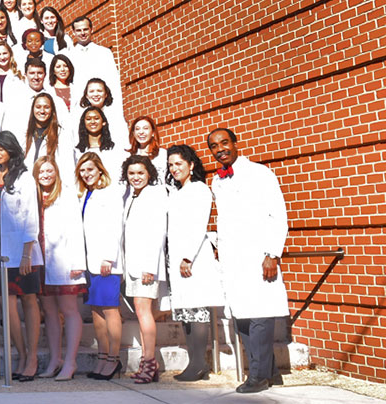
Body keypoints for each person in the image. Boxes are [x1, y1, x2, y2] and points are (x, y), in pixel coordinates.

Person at [207, 128, 289, 394]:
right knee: (243, 317)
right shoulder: (217, 181)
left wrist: (272, 253)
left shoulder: (259, 173)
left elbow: (277, 214)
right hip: (234, 260)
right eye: (214, 146)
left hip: (259, 257)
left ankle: (258, 376)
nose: (220, 149)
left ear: (235, 143)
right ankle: (271, 372)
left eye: (224, 142)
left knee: (260, 316)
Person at [0, 131, 42, 381]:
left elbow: (31, 215)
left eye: (1, 148)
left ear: (12, 149)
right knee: (6, 304)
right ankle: (21, 353)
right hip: (0, 251)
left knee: (28, 300)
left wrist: (27, 253)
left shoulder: (25, 178)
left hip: (22, 250)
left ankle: (33, 357)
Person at [163, 144, 221, 383]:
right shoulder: (177, 191)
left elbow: (198, 225)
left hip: (193, 259)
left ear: (191, 165)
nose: (174, 169)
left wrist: (188, 257)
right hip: (177, 259)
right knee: (186, 310)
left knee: (196, 308)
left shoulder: (199, 190)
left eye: (179, 164)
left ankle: (199, 364)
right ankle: (193, 362)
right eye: (170, 165)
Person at [31, 156, 85, 381]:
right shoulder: (33, 196)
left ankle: (70, 362)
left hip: (64, 260)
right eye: (41, 172)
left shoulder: (66, 195)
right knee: (50, 312)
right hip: (42, 260)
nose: (45, 175)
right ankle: (55, 360)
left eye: (49, 171)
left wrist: (77, 262)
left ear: (56, 173)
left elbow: (75, 227)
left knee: (69, 310)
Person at [76, 152, 126, 380]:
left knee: (109, 309)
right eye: (83, 170)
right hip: (91, 262)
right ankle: (102, 357)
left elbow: (115, 226)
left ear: (100, 170)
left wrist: (109, 257)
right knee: (96, 312)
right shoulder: (86, 194)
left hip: (107, 263)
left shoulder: (110, 193)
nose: (86, 174)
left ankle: (114, 360)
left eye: (90, 169)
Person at [121, 155, 168, 384]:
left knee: (144, 312)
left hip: (146, 266)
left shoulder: (154, 195)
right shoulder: (132, 197)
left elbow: (157, 231)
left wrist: (150, 266)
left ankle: (149, 362)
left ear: (149, 173)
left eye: (140, 173)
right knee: (141, 314)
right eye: (131, 173)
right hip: (133, 265)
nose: (136, 177)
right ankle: (148, 362)